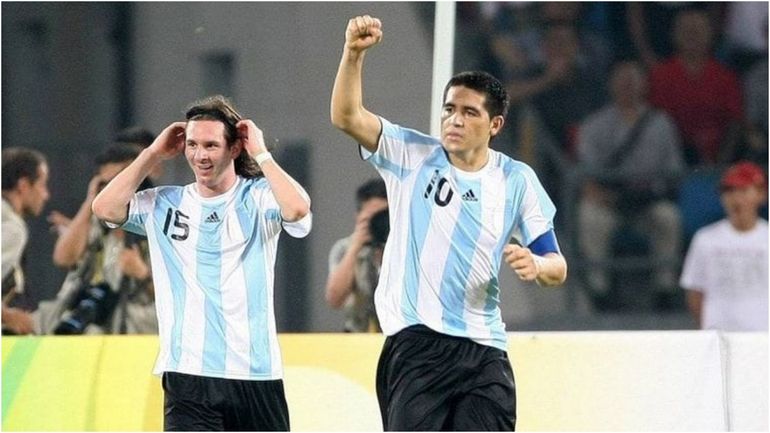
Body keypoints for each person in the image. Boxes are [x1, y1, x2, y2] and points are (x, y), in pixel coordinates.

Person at [331, 15, 567, 431]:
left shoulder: (516, 180)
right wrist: (353, 54)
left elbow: (557, 266)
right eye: (449, 109)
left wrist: (537, 264)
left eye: (469, 112)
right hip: (416, 347)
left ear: (495, 125)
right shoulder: (411, 154)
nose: (454, 120)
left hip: (484, 349)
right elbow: (347, 116)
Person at [92, 95, 312, 431]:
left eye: (211, 145)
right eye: (192, 145)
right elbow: (104, 208)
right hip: (188, 375)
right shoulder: (165, 203)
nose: (200, 155)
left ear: (234, 148)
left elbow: (297, 209)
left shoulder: (259, 196)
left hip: (255, 374)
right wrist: (151, 154)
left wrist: (261, 153)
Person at [576, 61, 684, 310]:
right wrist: (602, 194)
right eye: (622, 80)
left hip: (647, 201)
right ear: (611, 85)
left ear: (644, 85)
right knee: (590, 217)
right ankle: (600, 291)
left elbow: (674, 170)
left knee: (669, 218)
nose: (628, 86)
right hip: (610, 200)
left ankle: (664, 289)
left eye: (633, 80)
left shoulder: (661, 123)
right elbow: (586, 173)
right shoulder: (594, 124)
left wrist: (654, 191)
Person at [36, 143, 157, 335]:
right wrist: (90, 202)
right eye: (105, 183)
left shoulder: (156, 222)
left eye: (118, 180)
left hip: (137, 328)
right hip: (93, 323)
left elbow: (177, 296)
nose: (113, 189)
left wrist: (142, 273)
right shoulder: (97, 224)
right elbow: (63, 258)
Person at [680, 161, 768, 331]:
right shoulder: (705, 239)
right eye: (729, 191)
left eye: (743, 190)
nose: (736, 198)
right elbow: (695, 291)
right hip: (718, 335)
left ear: (761, 194)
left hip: (763, 336)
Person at [325, 178, 388, 332]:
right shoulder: (344, 248)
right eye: (372, 217)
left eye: (383, 217)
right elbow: (335, 299)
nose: (377, 223)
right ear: (358, 217)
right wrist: (355, 248)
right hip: (357, 335)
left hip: (396, 336)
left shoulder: (404, 249)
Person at [1, 147, 50, 335]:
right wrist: (8, 316)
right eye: (42, 184)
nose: (46, 195)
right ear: (23, 185)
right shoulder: (11, 227)